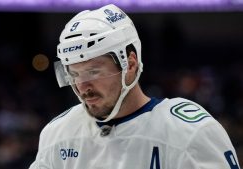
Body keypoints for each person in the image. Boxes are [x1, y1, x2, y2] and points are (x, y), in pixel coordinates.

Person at [29, 4, 240, 169]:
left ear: (130, 64)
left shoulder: (190, 132)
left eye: (93, 72)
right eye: (74, 74)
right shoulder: (58, 134)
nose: (82, 86)